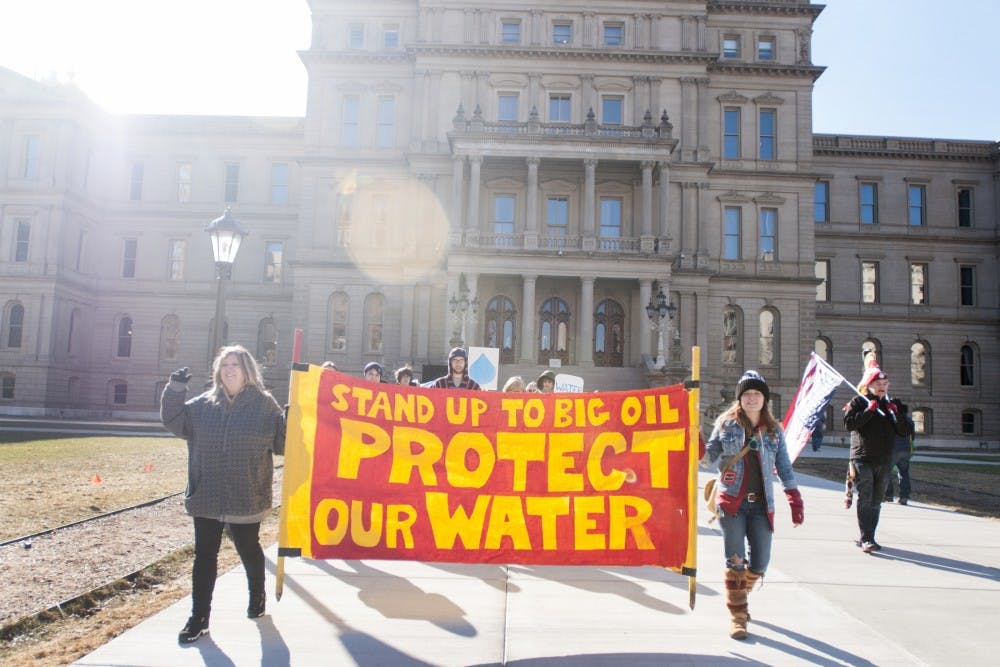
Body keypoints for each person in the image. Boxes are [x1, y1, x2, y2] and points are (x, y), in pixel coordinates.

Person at [160, 345, 286, 644]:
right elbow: (174, 421)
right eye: (225, 364)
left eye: (236, 364)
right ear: (218, 371)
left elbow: (282, 445)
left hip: (246, 492)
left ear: (247, 371)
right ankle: (198, 618)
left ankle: (257, 594)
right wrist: (174, 389)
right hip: (208, 493)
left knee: (248, 547)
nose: (229, 369)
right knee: (205, 556)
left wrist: (290, 420)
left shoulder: (265, 405)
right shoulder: (203, 405)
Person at [702, 370, 803, 640]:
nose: (752, 398)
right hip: (731, 503)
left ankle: (738, 594)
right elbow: (707, 458)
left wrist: (794, 497)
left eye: (757, 394)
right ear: (740, 398)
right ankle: (738, 616)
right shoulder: (725, 424)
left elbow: (783, 465)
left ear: (764, 399)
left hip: (761, 506)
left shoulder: (773, 431)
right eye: (747, 394)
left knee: (759, 563)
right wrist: (694, 442)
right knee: (735, 561)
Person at [843, 363, 912, 553]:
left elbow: (904, 430)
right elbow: (849, 424)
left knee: (876, 500)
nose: (882, 386)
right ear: (868, 385)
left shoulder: (893, 404)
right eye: (878, 382)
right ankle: (866, 539)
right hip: (862, 458)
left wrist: (895, 413)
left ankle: (870, 536)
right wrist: (869, 411)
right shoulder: (859, 402)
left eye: (885, 383)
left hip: (884, 459)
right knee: (865, 497)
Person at [885, 403, 915, 505]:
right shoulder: (910, 421)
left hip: (893, 449)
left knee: (886, 472)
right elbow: (913, 436)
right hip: (906, 449)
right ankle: (904, 497)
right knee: (904, 474)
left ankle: (888, 495)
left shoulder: (892, 419)